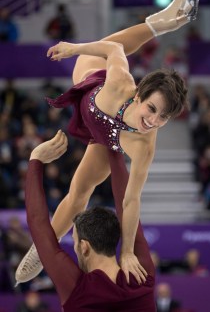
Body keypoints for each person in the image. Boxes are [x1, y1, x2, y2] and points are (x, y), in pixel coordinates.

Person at [16, 0, 199, 285]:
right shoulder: (120, 82)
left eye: (163, 118)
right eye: (152, 109)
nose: (153, 121)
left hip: (105, 136)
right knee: (111, 46)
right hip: (93, 85)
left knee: (80, 194)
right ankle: (160, 24)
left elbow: (130, 201)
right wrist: (75, 48)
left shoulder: (144, 145)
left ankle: (41, 248)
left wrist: (126, 251)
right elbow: (113, 50)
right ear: (139, 96)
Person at [19, 131, 156, 311]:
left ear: (84, 246)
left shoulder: (77, 287)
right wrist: (34, 160)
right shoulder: (140, 276)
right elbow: (126, 203)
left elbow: (38, 220)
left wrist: (36, 158)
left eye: (75, 243)